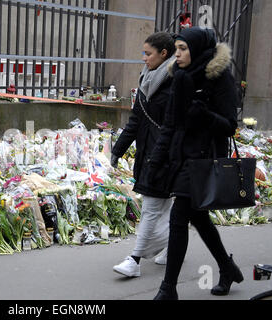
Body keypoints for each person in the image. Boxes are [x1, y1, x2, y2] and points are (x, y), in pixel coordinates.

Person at [148, 27, 243, 300]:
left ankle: (168, 289)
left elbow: (229, 126)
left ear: (197, 50)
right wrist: (156, 161)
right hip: (181, 157)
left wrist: (204, 114)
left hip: (205, 159)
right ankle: (227, 266)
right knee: (198, 218)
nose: (176, 55)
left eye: (182, 49)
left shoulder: (219, 77)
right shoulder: (179, 78)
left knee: (179, 216)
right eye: (176, 48)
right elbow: (170, 123)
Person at [111, 32, 176, 278]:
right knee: (164, 205)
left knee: (150, 208)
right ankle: (171, 246)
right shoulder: (146, 80)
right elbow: (136, 121)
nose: (144, 58)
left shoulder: (176, 83)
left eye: (148, 54)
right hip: (148, 153)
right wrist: (118, 149)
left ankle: (135, 260)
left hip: (166, 156)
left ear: (164, 54)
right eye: (143, 53)